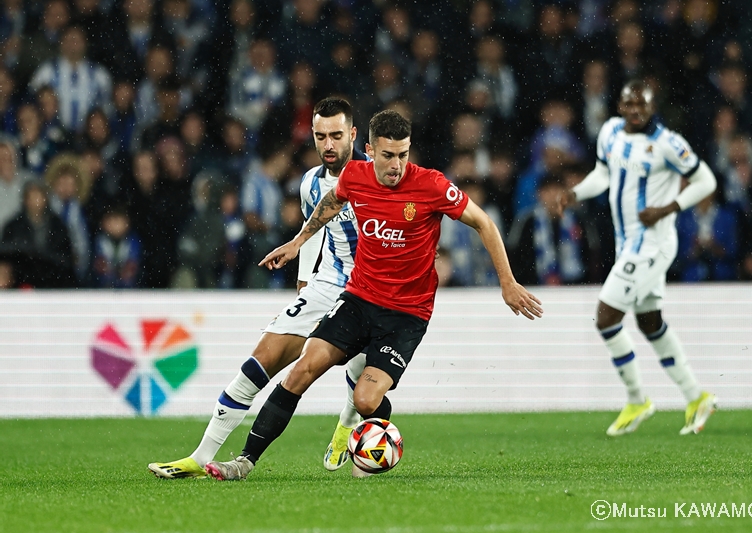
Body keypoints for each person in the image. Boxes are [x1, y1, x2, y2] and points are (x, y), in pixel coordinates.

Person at [203, 109, 543, 481]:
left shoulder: (431, 185)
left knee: (365, 399)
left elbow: (484, 222)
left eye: (403, 154)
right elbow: (331, 203)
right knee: (302, 369)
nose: (396, 165)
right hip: (360, 299)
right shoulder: (355, 175)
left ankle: (375, 447)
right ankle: (244, 462)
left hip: (406, 315)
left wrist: (507, 283)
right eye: (387, 155)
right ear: (369, 149)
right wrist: (298, 241)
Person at [148, 97, 371, 478]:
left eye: (336, 135)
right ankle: (200, 457)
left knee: (360, 368)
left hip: (370, 287)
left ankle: (347, 424)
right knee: (261, 359)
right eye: (320, 137)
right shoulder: (310, 184)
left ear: (352, 134)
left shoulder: (377, 177)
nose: (328, 145)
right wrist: (304, 283)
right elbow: (313, 231)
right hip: (329, 280)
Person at [558, 80, 718, 437]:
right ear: (619, 105)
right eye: (628, 104)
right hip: (627, 241)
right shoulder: (611, 131)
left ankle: (636, 399)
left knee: (606, 316)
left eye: (641, 106)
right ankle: (696, 396)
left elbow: (706, 181)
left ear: (652, 106)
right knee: (649, 322)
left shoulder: (668, 143)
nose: (634, 111)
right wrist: (575, 193)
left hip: (652, 244)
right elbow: (602, 175)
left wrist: (667, 208)